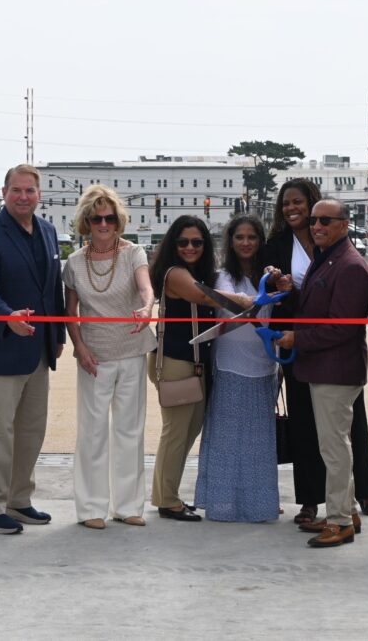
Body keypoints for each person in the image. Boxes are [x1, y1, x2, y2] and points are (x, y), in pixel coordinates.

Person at [0, 164, 66, 535]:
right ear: (4, 193)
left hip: (38, 349)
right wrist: (7, 316)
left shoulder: (49, 232)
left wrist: (59, 336)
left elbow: (54, 291)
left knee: (31, 431)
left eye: (29, 191)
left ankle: (19, 500)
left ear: (39, 194)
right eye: (16, 190)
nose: (23, 197)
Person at [264, 179, 368, 526]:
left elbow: (342, 322)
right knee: (314, 430)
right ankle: (319, 503)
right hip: (302, 348)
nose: (293, 210)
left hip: (327, 354)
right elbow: (305, 303)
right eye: (286, 204)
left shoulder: (341, 257)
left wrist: (297, 337)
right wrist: (281, 287)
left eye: (299, 202)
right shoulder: (287, 247)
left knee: (342, 433)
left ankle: (352, 506)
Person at [148, 215, 253, 522]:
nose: (190, 247)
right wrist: (244, 300)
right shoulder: (175, 272)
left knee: (187, 430)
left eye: (197, 242)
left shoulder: (195, 271)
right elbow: (202, 295)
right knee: (176, 432)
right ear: (173, 244)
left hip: (194, 363)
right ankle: (167, 500)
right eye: (183, 242)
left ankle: (167, 495)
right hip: (176, 362)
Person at [63, 185, 156, 530]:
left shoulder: (134, 253)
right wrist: (79, 346)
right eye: (96, 217)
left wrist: (147, 306)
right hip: (93, 357)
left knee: (130, 430)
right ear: (86, 221)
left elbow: (145, 287)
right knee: (92, 432)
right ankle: (90, 507)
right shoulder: (73, 262)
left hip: (132, 350)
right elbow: (70, 312)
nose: (104, 223)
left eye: (110, 217)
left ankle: (129, 505)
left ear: (119, 221)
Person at [195, 215, 289, 522]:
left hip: (264, 367)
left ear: (260, 241)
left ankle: (260, 504)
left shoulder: (271, 277)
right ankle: (223, 504)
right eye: (239, 237)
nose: (246, 243)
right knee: (226, 439)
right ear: (231, 242)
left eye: (252, 237)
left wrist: (281, 283)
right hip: (228, 367)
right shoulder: (220, 277)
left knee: (259, 442)